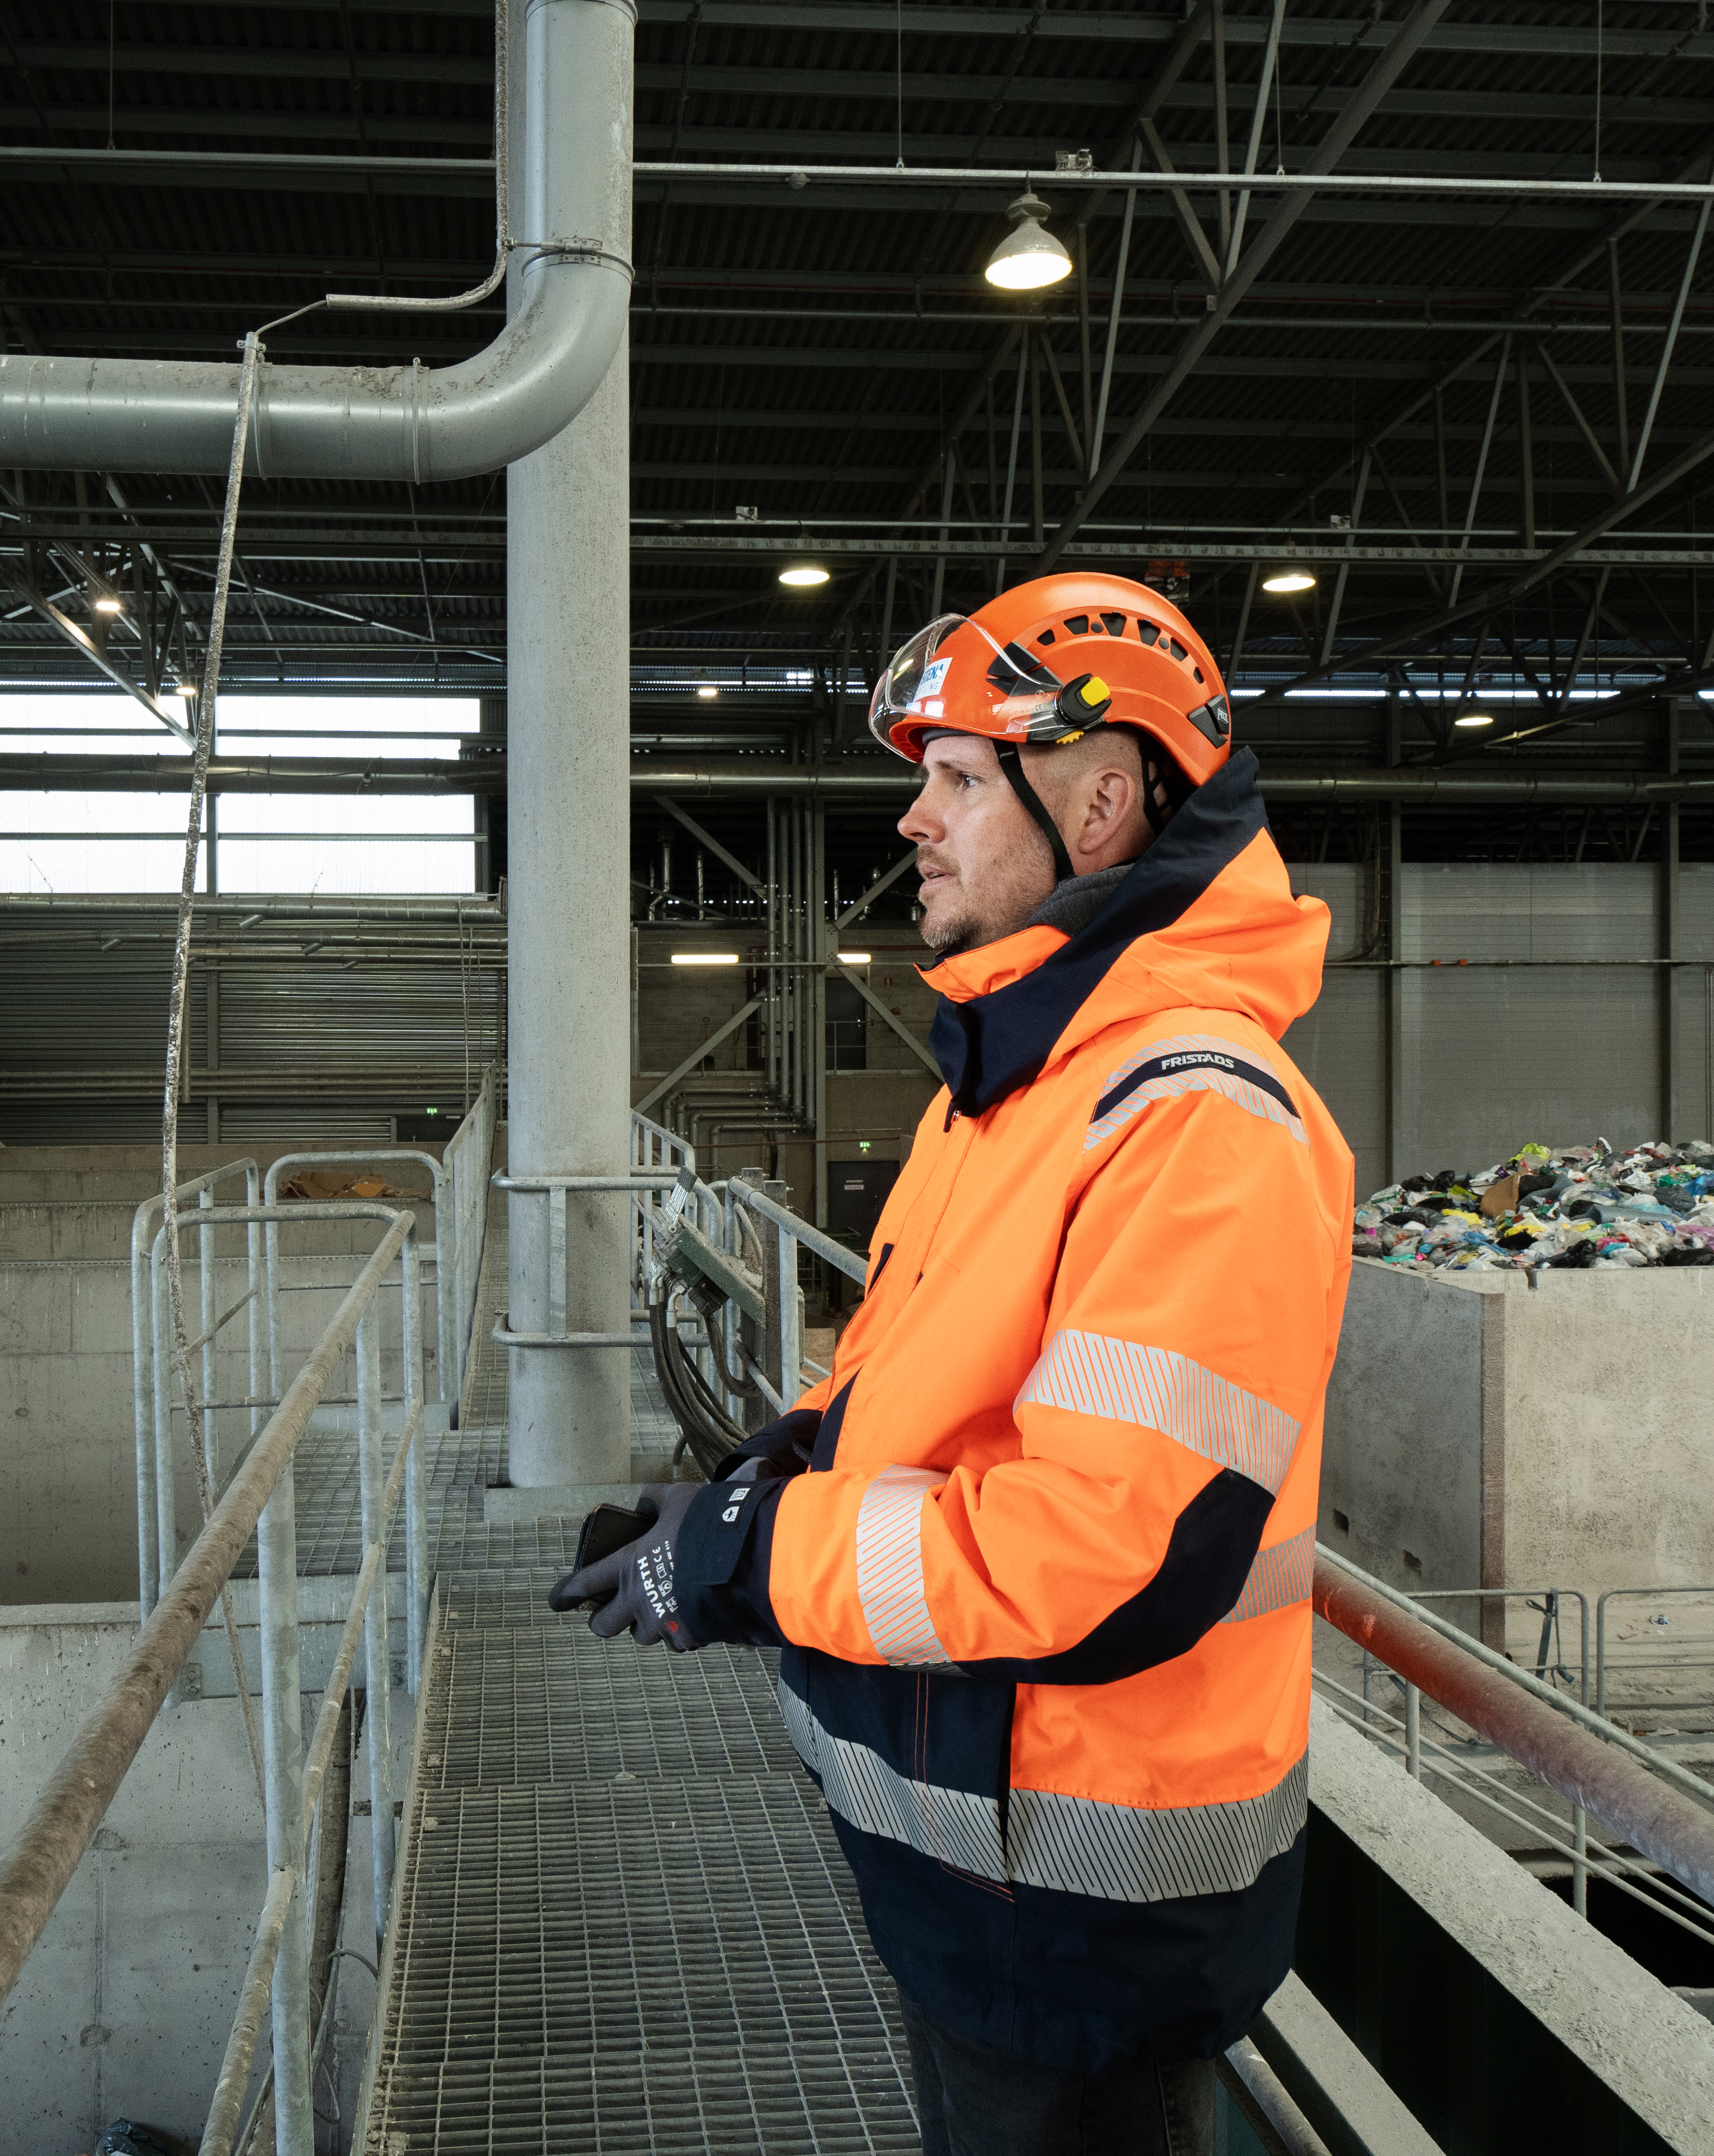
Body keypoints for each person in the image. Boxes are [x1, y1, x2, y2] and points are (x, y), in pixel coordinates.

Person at [554, 571, 1354, 2155]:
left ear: (1105, 801)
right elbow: (919, 1388)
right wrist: (759, 1475)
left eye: (960, 780)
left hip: (1077, 1897)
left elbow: (1106, 1554)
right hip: (977, 1854)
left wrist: (754, 1560)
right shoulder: (1014, 1084)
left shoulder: (1193, 1121)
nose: (915, 822)